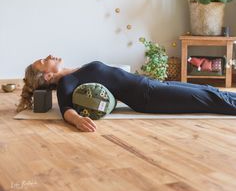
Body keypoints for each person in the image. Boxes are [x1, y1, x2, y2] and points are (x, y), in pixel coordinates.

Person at [16, 54, 236, 132]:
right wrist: (77, 120)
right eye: (43, 61)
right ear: (46, 76)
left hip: (151, 85)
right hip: (149, 97)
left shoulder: (72, 72)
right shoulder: (66, 84)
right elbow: (66, 108)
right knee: (210, 99)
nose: (49, 56)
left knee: (210, 90)